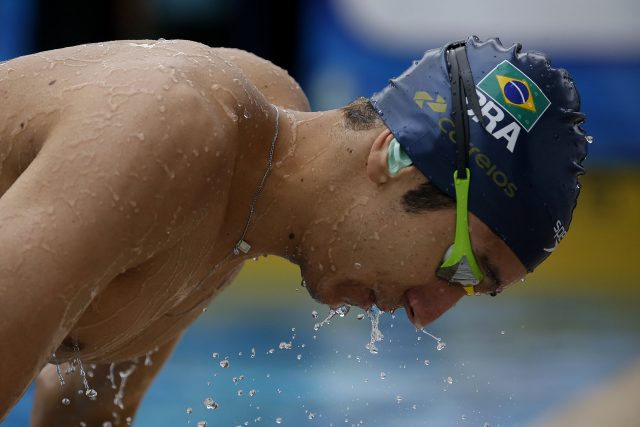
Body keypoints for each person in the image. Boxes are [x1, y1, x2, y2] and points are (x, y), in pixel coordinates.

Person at [0, 36, 587, 424]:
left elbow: (86, 409)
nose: (426, 313)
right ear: (395, 157)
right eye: (460, 266)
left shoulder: (248, 183)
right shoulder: (180, 130)